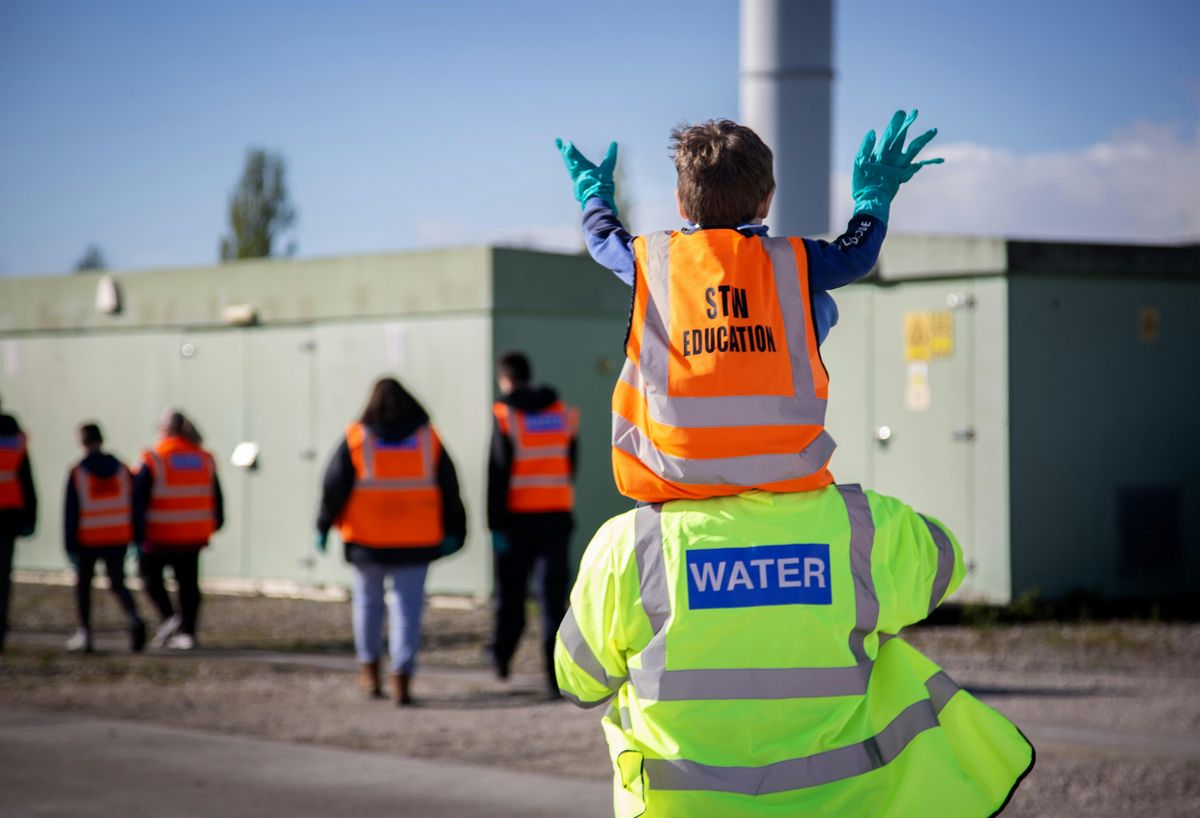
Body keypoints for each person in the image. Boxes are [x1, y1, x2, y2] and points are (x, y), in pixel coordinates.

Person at [554, 485, 1034, 817]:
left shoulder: (630, 542)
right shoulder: (861, 523)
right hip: (848, 807)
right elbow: (944, 561)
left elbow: (579, 680)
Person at [556, 111, 942, 503]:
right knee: (814, 306)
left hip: (671, 475)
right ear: (767, 200)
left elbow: (603, 237)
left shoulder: (653, 260)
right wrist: (872, 201)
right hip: (784, 471)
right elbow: (856, 255)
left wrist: (594, 193)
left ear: (681, 204)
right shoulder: (792, 261)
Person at [317, 377, 467, 706]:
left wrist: (323, 525)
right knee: (407, 610)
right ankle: (402, 679)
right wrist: (458, 529)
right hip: (416, 541)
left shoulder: (357, 436)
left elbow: (334, 485)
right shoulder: (428, 437)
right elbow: (449, 486)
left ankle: (369, 672)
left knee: (368, 605)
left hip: (366, 542)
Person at [487, 351, 578, 694]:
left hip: (516, 521)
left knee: (511, 595)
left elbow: (497, 473)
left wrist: (494, 525)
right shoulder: (560, 413)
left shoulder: (505, 415)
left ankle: (501, 657)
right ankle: (555, 676)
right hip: (556, 518)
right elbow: (570, 465)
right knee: (552, 599)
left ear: (506, 379)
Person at [133, 410, 223, 651]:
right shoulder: (203, 457)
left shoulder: (155, 458)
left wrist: (136, 533)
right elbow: (216, 495)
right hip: (192, 535)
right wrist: (216, 523)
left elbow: (137, 498)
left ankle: (170, 618)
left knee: (149, 578)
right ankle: (188, 632)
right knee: (188, 584)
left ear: (163, 429)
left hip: (159, 534)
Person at [63, 422, 145, 653]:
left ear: (82, 441)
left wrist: (69, 546)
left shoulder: (78, 472)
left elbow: (71, 513)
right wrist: (138, 538)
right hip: (117, 537)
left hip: (88, 540)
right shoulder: (121, 469)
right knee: (118, 583)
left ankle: (85, 633)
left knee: (83, 588)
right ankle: (135, 619)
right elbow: (134, 506)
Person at [0, 396, 37, 653]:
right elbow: (26, 479)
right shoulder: (14, 437)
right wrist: (30, 517)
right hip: (9, 518)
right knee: (3, 577)